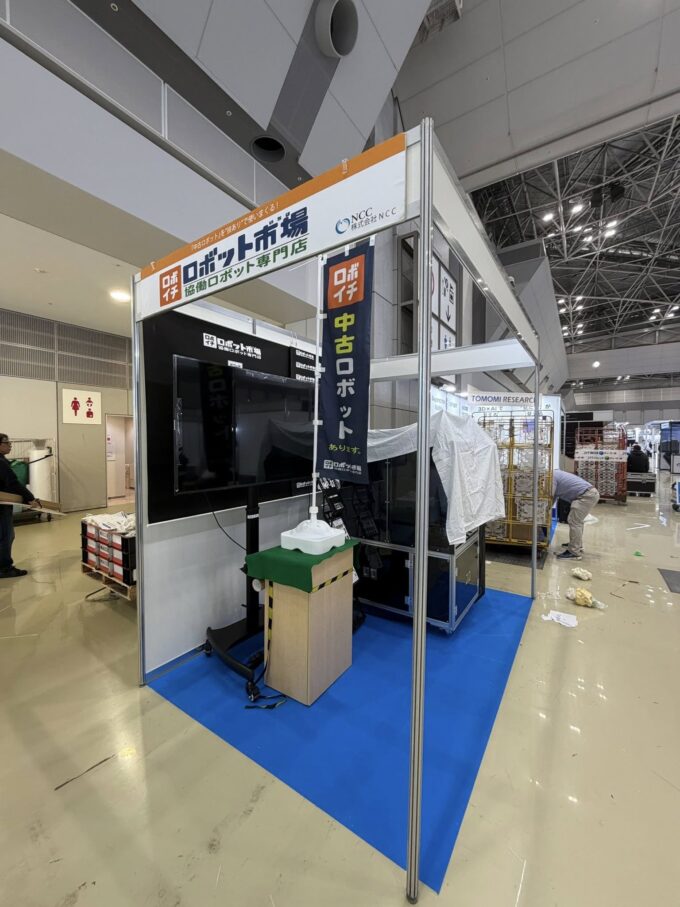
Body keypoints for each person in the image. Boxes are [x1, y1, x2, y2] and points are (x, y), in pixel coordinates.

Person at [0, 434, 41, 578]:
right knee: (6, 536)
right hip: (2, 506)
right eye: (6, 442)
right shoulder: (1, 462)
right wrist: (30, 498)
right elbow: (13, 483)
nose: (10, 445)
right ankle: (5, 568)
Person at [552, 468, 600, 560]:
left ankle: (574, 552)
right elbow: (554, 496)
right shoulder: (556, 473)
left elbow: (550, 494)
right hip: (589, 493)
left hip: (585, 496)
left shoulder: (552, 477)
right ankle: (576, 545)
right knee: (577, 522)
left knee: (574, 521)